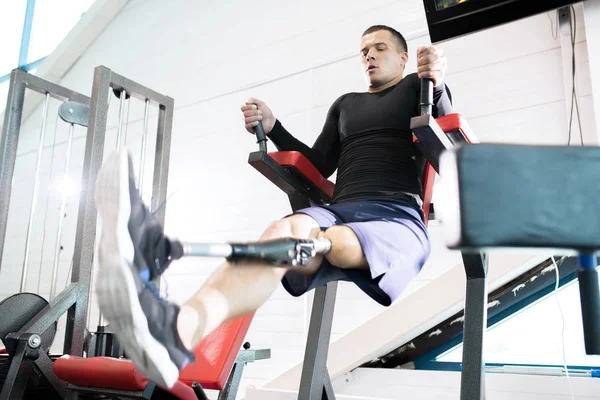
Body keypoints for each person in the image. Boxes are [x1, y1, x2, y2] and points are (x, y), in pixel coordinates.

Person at [94, 24, 452, 389]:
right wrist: (273, 126)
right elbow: (318, 162)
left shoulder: (417, 87)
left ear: (404, 58)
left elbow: (445, 130)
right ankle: (176, 336)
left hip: (394, 216)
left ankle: (320, 244)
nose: (370, 56)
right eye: (364, 51)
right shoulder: (346, 105)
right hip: (339, 208)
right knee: (282, 231)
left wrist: (435, 82)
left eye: (380, 48)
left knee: (338, 241)